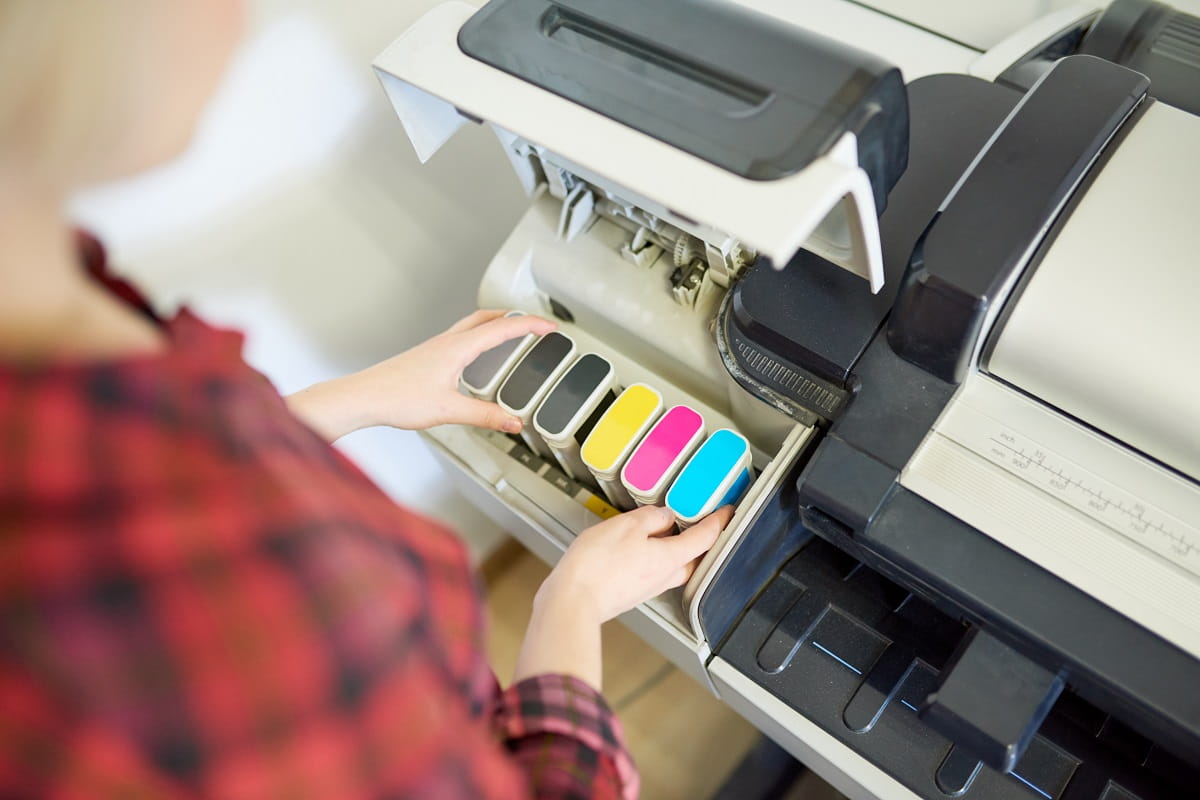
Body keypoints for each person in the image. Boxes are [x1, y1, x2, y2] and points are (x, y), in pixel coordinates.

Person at [0, 2, 732, 798]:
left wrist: (360, 398)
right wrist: (573, 601)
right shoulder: (222, 588)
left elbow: (145, 447)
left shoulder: (50, 295)